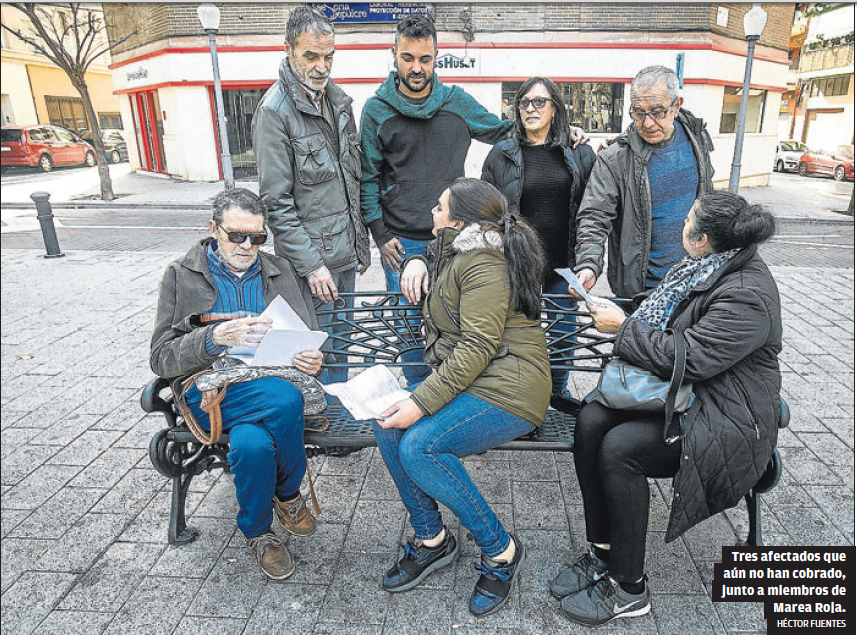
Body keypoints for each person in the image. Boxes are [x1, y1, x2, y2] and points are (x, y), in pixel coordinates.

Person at [553, 192, 782, 626]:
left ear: (703, 239)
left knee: (621, 448)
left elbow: (690, 357)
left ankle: (629, 587)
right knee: (591, 419)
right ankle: (602, 552)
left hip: (727, 414)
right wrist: (620, 312)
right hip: (685, 394)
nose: (680, 223)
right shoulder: (706, 266)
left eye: (688, 219)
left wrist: (623, 329)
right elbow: (661, 320)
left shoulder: (746, 293)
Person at [372, 179, 551, 617]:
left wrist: (421, 402)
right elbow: (438, 263)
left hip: (513, 387)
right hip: (480, 378)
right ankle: (432, 538)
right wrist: (416, 258)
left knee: (421, 445)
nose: (432, 211)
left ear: (459, 221)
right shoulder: (460, 252)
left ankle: (501, 551)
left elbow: (478, 345)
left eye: (439, 206)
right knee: (387, 425)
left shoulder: (484, 263)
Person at [150, 188, 323, 581]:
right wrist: (215, 339)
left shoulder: (279, 270)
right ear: (214, 229)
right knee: (283, 398)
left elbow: (306, 335)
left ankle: (257, 532)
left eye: (258, 237)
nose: (249, 246)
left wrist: (310, 357)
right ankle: (288, 494)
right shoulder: (181, 274)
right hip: (211, 388)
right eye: (237, 236)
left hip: (270, 375)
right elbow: (161, 357)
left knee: (253, 444)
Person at [360, 15, 516, 296]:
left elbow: (504, 132)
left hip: (452, 236)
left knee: (451, 325)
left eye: (425, 59)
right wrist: (380, 236)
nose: (416, 68)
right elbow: (368, 176)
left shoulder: (457, 102)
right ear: (394, 55)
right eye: (408, 58)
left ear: (436, 57)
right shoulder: (376, 110)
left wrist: (559, 130)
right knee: (405, 330)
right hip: (400, 241)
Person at [252, 7, 369, 382]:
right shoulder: (274, 113)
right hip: (313, 266)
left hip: (344, 256)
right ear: (288, 50)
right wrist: (312, 265)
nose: (322, 66)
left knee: (341, 345)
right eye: (311, 56)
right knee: (317, 352)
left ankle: (335, 421)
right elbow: (276, 203)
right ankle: (323, 428)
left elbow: (350, 177)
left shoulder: (338, 103)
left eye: (329, 56)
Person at [482, 77, 596, 399]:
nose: (530, 108)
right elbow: (487, 211)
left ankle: (556, 395)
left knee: (562, 339)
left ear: (555, 107)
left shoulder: (579, 152)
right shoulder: (500, 155)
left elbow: (593, 209)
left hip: (564, 267)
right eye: (524, 103)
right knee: (520, 341)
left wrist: (589, 263)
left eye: (539, 102)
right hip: (519, 267)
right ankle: (522, 401)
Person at [572, 65, 715, 300]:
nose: (647, 123)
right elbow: (594, 216)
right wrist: (589, 264)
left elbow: (708, 197)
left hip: (695, 281)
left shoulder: (696, 138)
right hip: (640, 290)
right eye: (639, 112)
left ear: (676, 106)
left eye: (657, 112)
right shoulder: (615, 157)